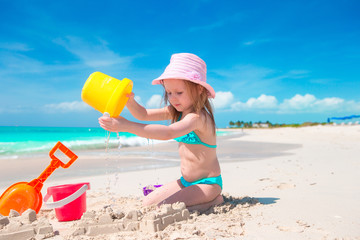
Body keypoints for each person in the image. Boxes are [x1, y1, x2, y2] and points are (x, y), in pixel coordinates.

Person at [98, 53, 223, 212]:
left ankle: (215, 200)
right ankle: (201, 200)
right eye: (169, 93)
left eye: (179, 93)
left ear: (199, 89)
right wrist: (128, 101)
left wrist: (126, 125)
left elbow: (168, 133)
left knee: (165, 208)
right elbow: (143, 114)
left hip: (207, 183)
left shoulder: (197, 118)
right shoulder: (176, 111)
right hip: (185, 181)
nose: (173, 98)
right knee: (147, 203)